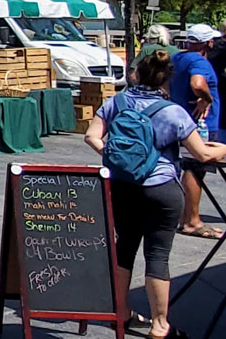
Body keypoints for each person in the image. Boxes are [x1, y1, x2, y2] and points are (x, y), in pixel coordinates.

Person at [84, 50, 226, 339]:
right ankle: (160, 325)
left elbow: (91, 136)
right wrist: (223, 149)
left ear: (137, 74)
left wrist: (111, 156)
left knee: (124, 249)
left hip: (123, 186)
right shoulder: (173, 111)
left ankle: (120, 313)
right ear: (166, 80)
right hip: (161, 189)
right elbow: (199, 153)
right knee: (158, 255)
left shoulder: (116, 102)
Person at [171, 23, 223, 239]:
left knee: (188, 168)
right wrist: (206, 97)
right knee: (195, 169)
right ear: (208, 43)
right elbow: (198, 82)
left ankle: (186, 218)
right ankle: (192, 221)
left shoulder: (178, 58)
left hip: (181, 120)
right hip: (200, 123)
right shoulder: (199, 61)